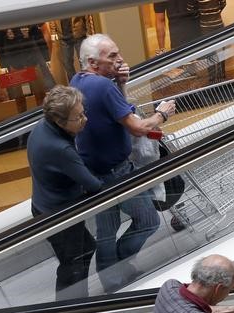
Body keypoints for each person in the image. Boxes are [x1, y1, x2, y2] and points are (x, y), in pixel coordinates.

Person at [70, 33, 175, 291]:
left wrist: (121, 83)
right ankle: (118, 265)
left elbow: (119, 109)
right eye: (112, 56)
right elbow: (136, 127)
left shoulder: (78, 80)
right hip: (116, 173)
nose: (120, 60)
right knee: (148, 220)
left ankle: (112, 279)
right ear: (94, 62)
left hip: (92, 171)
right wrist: (162, 114)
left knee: (106, 230)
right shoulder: (103, 87)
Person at [27, 86, 102, 300]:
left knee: (86, 247)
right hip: (60, 215)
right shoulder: (60, 149)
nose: (85, 119)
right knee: (73, 262)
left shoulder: (43, 127)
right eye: (78, 117)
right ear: (60, 122)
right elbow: (94, 186)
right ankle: (70, 306)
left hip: (43, 205)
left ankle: (76, 301)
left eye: (83, 112)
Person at [0, 25, 56, 111]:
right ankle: (22, 116)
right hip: (13, 60)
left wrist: (46, 57)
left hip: (31, 57)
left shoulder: (24, 18)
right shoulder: (3, 20)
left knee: (39, 92)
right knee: (18, 96)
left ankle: (42, 114)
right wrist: (4, 64)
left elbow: (38, 33)